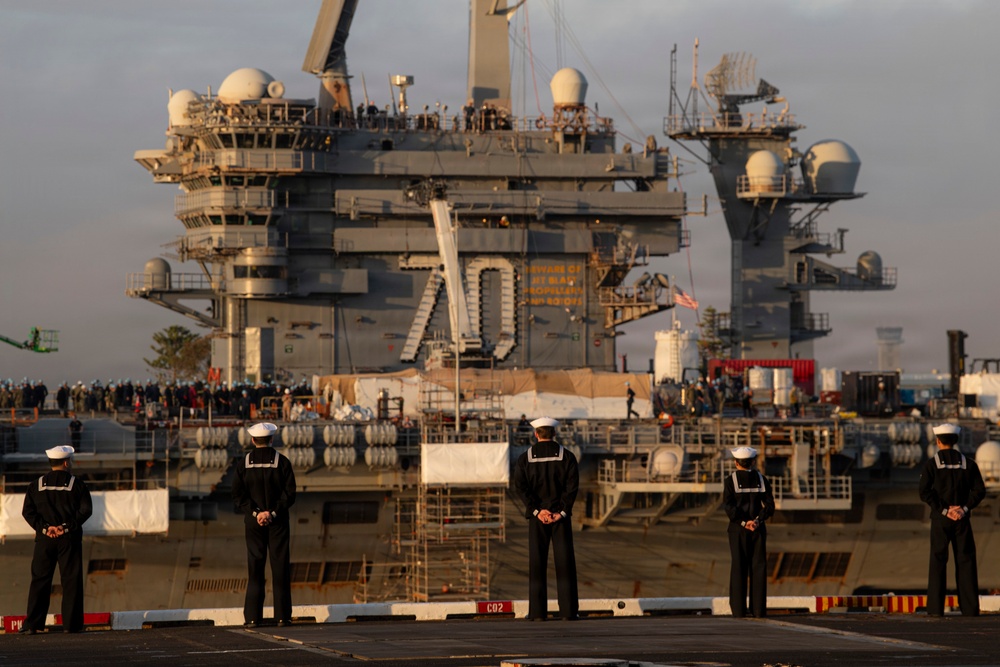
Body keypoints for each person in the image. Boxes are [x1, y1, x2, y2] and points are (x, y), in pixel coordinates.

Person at [20, 445, 93, 634]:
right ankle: (72, 625)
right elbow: (86, 510)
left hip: (44, 540)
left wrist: (45, 528)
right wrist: (65, 527)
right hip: (69, 539)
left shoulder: (35, 485)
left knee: (40, 580)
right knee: (71, 581)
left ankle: (33, 624)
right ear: (66, 462)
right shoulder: (77, 484)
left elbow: (27, 512)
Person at [512, 417, 579, 621]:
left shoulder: (525, 458)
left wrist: (537, 511)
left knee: (537, 563)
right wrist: (561, 512)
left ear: (536, 434)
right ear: (554, 433)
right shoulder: (567, 457)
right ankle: (568, 612)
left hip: (537, 518)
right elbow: (572, 487)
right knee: (565, 562)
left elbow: (521, 487)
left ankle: (538, 613)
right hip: (560, 518)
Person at [232, 422, 297, 628]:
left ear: (252, 440)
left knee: (255, 566)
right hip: (277, 522)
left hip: (253, 522)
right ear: (272, 439)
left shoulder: (244, 463)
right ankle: (282, 617)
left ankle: (252, 618)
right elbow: (290, 494)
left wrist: (256, 513)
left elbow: (238, 495)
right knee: (279, 566)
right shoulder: (282, 462)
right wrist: (273, 512)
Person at [918, 423, 985, 616]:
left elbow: (924, 492)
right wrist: (963, 509)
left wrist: (945, 510)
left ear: (938, 441)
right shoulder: (969, 464)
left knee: (938, 561)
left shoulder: (932, 464)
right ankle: (970, 609)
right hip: (962, 520)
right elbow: (980, 491)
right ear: (955, 441)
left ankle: (935, 610)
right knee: (966, 561)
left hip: (941, 520)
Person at [723, 446, 774, 618]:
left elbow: (729, 508)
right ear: (753, 462)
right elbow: (770, 506)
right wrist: (758, 520)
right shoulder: (762, 479)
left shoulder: (731, 481)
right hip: (758, 529)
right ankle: (758, 610)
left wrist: (745, 522)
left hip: (738, 529)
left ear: (736, 462)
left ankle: (738, 611)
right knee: (758, 567)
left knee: (739, 567)